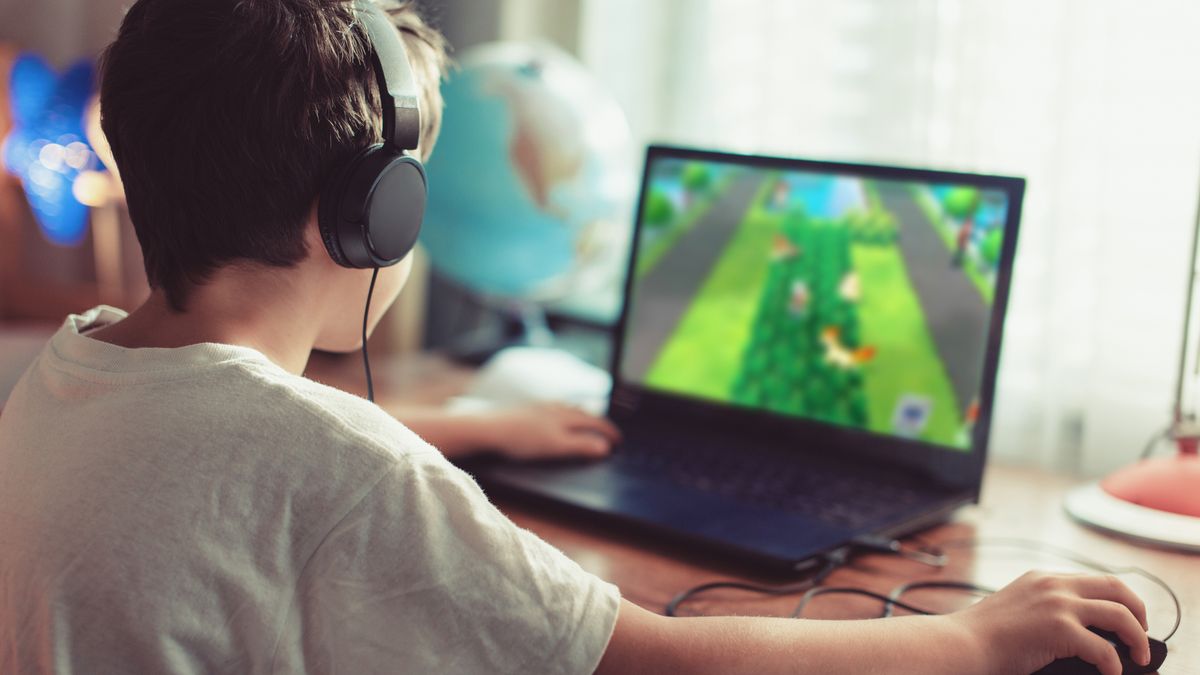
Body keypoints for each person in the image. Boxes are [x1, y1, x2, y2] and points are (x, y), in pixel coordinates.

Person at [0, 1, 1154, 674]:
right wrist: (976, 642)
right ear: (369, 214)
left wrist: (469, 423)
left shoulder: (72, 364)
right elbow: (655, 661)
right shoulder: (346, 473)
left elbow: (230, 452)